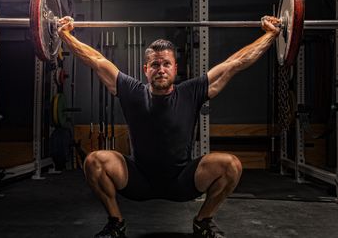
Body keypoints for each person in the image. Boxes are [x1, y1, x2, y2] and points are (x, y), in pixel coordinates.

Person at [57, 15, 281, 238]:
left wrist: (270, 35)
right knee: (94, 161)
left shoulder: (190, 92)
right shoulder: (132, 91)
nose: (161, 69)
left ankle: (203, 221)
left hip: (182, 180)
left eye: (166, 64)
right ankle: (116, 223)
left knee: (231, 165)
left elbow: (235, 63)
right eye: (155, 64)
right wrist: (65, 34)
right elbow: (96, 60)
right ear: (146, 69)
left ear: (175, 68)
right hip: (139, 180)